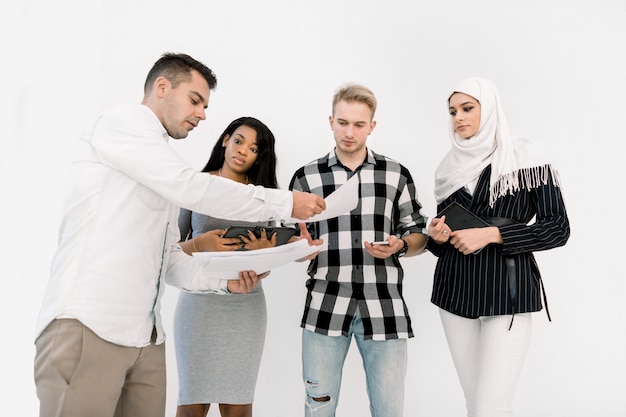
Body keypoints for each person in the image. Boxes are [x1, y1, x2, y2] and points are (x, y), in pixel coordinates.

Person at [33, 53, 325, 417]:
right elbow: (192, 188)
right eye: (195, 100)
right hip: (89, 328)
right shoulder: (120, 123)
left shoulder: (161, 167)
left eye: (205, 105)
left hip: (146, 342)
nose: (203, 113)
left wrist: (225, 284)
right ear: (162, 87)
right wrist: (284, 203)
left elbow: (170, 260)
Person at [427, 77, 570, 417]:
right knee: (475, 404)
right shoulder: (448, 168)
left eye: (467, 108)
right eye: (452, 112)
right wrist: (436, 236)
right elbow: (442, 242)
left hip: (507, 291)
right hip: (454, 292)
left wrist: (493, 234)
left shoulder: (524, 156)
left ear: (488, 108)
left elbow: (558, 228)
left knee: (492, 407)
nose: (459, 117)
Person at [289, 84, 429, 417]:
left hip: (384, 308)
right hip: (325, 306)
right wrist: (298, 248)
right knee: (318, 408)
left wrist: (401, 245)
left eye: (359, 124)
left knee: (389, 411)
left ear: (372, 126)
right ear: (331, 121)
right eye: (342, 122)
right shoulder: (306, 177)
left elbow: (418, 235)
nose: (349, 132)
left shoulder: (395, 175)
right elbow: (290, 238)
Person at [174, 116, 283, 417]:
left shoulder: (263, 196)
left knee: (238, 406)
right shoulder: (196, 186)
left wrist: (267, 252)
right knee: (191, 405)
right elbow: (170, 251)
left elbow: (278, 249)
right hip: (198, 305)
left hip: (245, 307)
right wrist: (201, 243)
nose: (243, 151)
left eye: (253, 148)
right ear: (225, 140)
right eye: (238, 141)